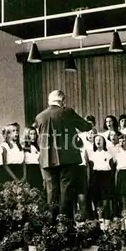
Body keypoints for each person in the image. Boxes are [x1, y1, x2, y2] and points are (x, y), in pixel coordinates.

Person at [34, 90, 93, 219]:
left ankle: (52, 223)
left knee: (52, 193)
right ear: (62, 100)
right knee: (66, 193)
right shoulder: (67, 112)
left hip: (48, 160)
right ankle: (65, 223)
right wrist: (89, 125)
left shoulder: (40, 117)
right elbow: (85, 126)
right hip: (67, 159)